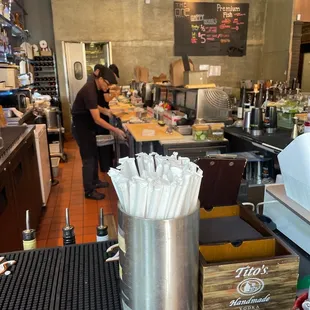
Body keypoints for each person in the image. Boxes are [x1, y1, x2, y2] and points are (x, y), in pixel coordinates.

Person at [71, 66, 126, 200]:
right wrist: (116, 130)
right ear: (100, 79)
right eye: (107, 84)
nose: (107, 88)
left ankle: (95, 181)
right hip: (81, 128)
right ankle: (89, 190)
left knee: (94, 155)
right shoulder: (90, 90)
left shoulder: (93, 87)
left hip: (87, 127)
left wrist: (108, 112)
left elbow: (95, 107)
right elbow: (97, 119)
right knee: (89, 159)